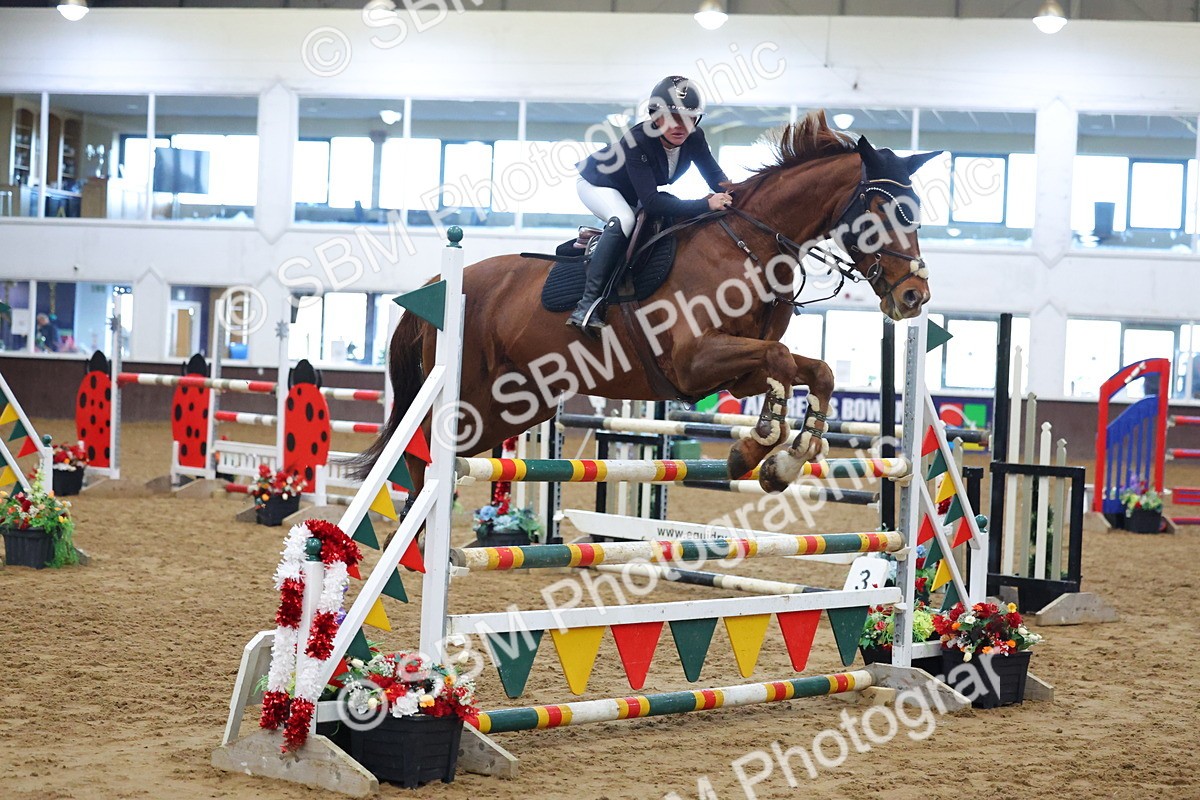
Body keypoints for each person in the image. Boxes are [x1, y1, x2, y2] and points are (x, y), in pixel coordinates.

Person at [570, 75, 733, 335]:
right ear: (656, 117)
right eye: (673, 118)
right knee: (625, 220)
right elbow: (652, 202)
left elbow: (716, 179)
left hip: (633, 190)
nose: (681, 126)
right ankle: (586, 306)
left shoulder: (695, 138)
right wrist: (705, 205)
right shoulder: (637, 140)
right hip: (598, 183)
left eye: (690, 118)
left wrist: (744, 196)